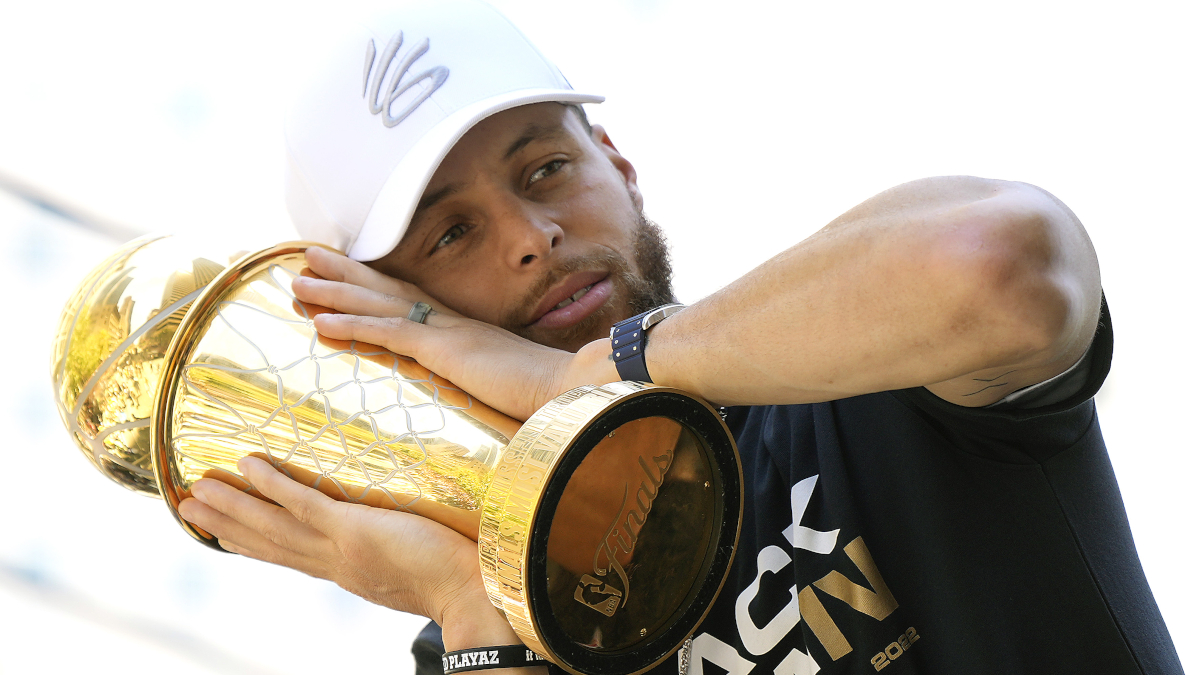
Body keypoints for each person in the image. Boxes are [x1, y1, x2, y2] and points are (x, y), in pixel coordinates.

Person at [175, 1, 1183, 673]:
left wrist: (597, 373)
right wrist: (467, 601)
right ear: (389, 321)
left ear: (616, 163)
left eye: (545, 170)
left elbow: (1001, 261)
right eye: (452, 234)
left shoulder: (862, 366)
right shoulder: (482, 634)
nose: (530, 238)